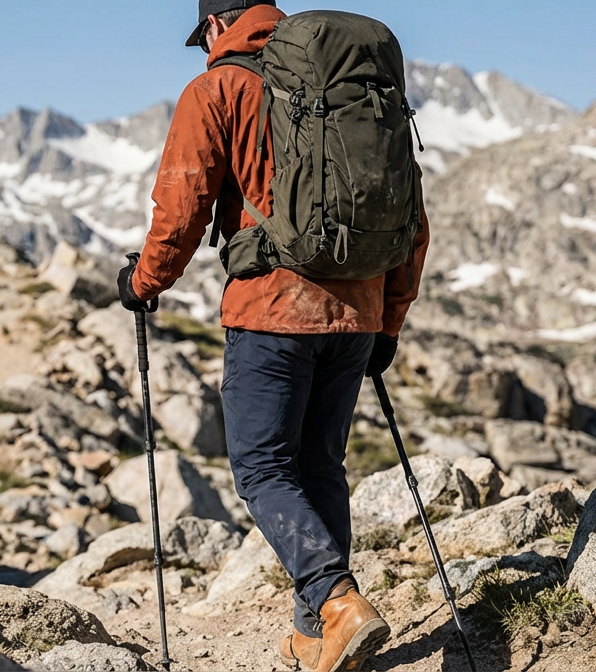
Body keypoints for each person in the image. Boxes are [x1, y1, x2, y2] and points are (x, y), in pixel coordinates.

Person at [117, 1, 431, 670]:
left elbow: (181, 205)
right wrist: (388, 320)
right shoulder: (351, 86)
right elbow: (409, 215)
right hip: (357, 313)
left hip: (271, 311)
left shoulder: (218, 87)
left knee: (261, 467)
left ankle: (337, 601)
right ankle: (319, 634)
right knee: (319, 466)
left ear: (212, 26)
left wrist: (142, 285)